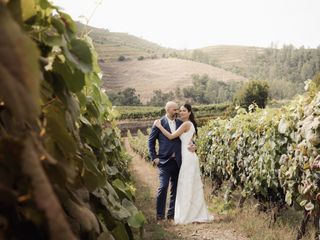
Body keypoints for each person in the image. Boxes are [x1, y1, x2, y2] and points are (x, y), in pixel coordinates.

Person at [154, 103, 213, 224]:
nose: (181, 112)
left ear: (189, 112)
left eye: (184, 111)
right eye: (180, 111)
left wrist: (159, 126)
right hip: (186, 157)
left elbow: (171, 136)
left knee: (186, 185)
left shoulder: (185, 124)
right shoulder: (186, 124)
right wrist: (193, 145)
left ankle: (186, 215)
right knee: (188, 185)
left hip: (186, 158)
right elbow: (190, 139)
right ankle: (189, 213)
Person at [148, 101, 195, 223]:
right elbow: (151, 142)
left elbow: (188, 138)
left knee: (175, 189)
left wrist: (194, 145)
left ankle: (171, 215)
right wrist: (154, 157)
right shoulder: (158, 123)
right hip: (164, 161)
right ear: (167, 110)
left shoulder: (181, 123)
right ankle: (159, 216)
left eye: (178, 110)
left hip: (179, 161)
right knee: (163, 187)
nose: (177, 112)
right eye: (175, 110)